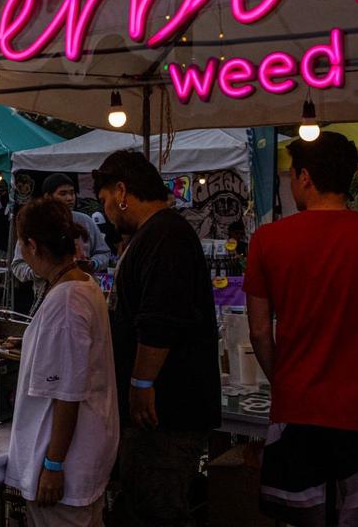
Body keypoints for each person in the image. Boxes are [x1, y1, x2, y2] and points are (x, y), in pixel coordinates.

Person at [246, 132, 358, 524]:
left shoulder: (267, 240)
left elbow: (258, 332)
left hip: (298, 410)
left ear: (305, 177)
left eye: (292, 176)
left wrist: (285, 381)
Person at [93, 150, 221, 526]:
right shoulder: (153, 235)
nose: (107, 213)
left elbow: (160, 321)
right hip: (158, 413)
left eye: (104, 201)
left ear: (121, 191)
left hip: (167, 413)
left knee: (158, 509)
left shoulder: (166, 235)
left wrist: (141, 383)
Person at [6, 198, 119, 526]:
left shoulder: (66, 301)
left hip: (67, 464)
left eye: (20, 244)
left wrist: (54, 465)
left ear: (31, 245)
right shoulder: (81, 284)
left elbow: (67, 395)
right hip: (86, 451)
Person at [12, 173, 111, 315]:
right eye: (63, 194)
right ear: (47, 197)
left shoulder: (85, 221)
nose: (70, 198)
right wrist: (41, 271)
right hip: (46, 296)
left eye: (72, 193)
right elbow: (17, 266)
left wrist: (93, 264)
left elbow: (104, 253)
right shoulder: (34, 224)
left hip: (84, 292)